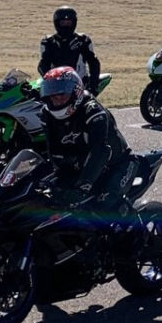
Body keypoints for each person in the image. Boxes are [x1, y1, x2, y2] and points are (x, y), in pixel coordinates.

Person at [37, 66, 135, 223]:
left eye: (62, 95)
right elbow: (50, 150)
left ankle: (131, 235)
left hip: (117, 165)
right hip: (78, 167)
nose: (57, 99)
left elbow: (100, 151)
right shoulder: (46, 114)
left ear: (76, 92)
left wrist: (82, 187)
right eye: (53, 96)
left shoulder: (93, 112)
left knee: (104, 206)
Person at [39, 6, 101, 92]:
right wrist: (50, 81)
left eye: (68, 23)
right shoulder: (48, 41)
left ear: (74, 23)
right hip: (56, 84)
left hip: (80, 83)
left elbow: (93, 63)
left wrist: (93, 84)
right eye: (63, 23)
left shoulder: (83, 40)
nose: (66, 26)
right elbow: (43, 64)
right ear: (57, 23)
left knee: (89, 104)